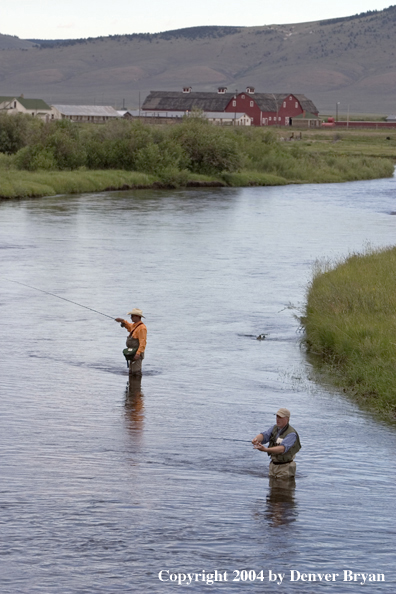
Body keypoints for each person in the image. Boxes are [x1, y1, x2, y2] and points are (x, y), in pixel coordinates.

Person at [252, 408, 301, 479]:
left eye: (280, 417)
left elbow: (282, 449)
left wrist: (265, 449)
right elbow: (265, 435)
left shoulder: (292, 434)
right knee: (272, 489)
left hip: (285, 467)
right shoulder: (275, 428)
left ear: (287, 419)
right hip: (273, 466)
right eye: (277, 416)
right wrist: (256, 439)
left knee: (284, 489)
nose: (278, 419)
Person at [115, 308, 147, 376]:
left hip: (136, 354)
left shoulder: (142, 328)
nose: (131, 317)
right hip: (132, 353)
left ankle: (136, 385)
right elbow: (130, 327)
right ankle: (132, 386)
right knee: (131, 372)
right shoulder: (135, 325)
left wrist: (138, 354)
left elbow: (143, 342)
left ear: (137, 316)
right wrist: (122, 321)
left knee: (136, 373)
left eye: (132, 316)